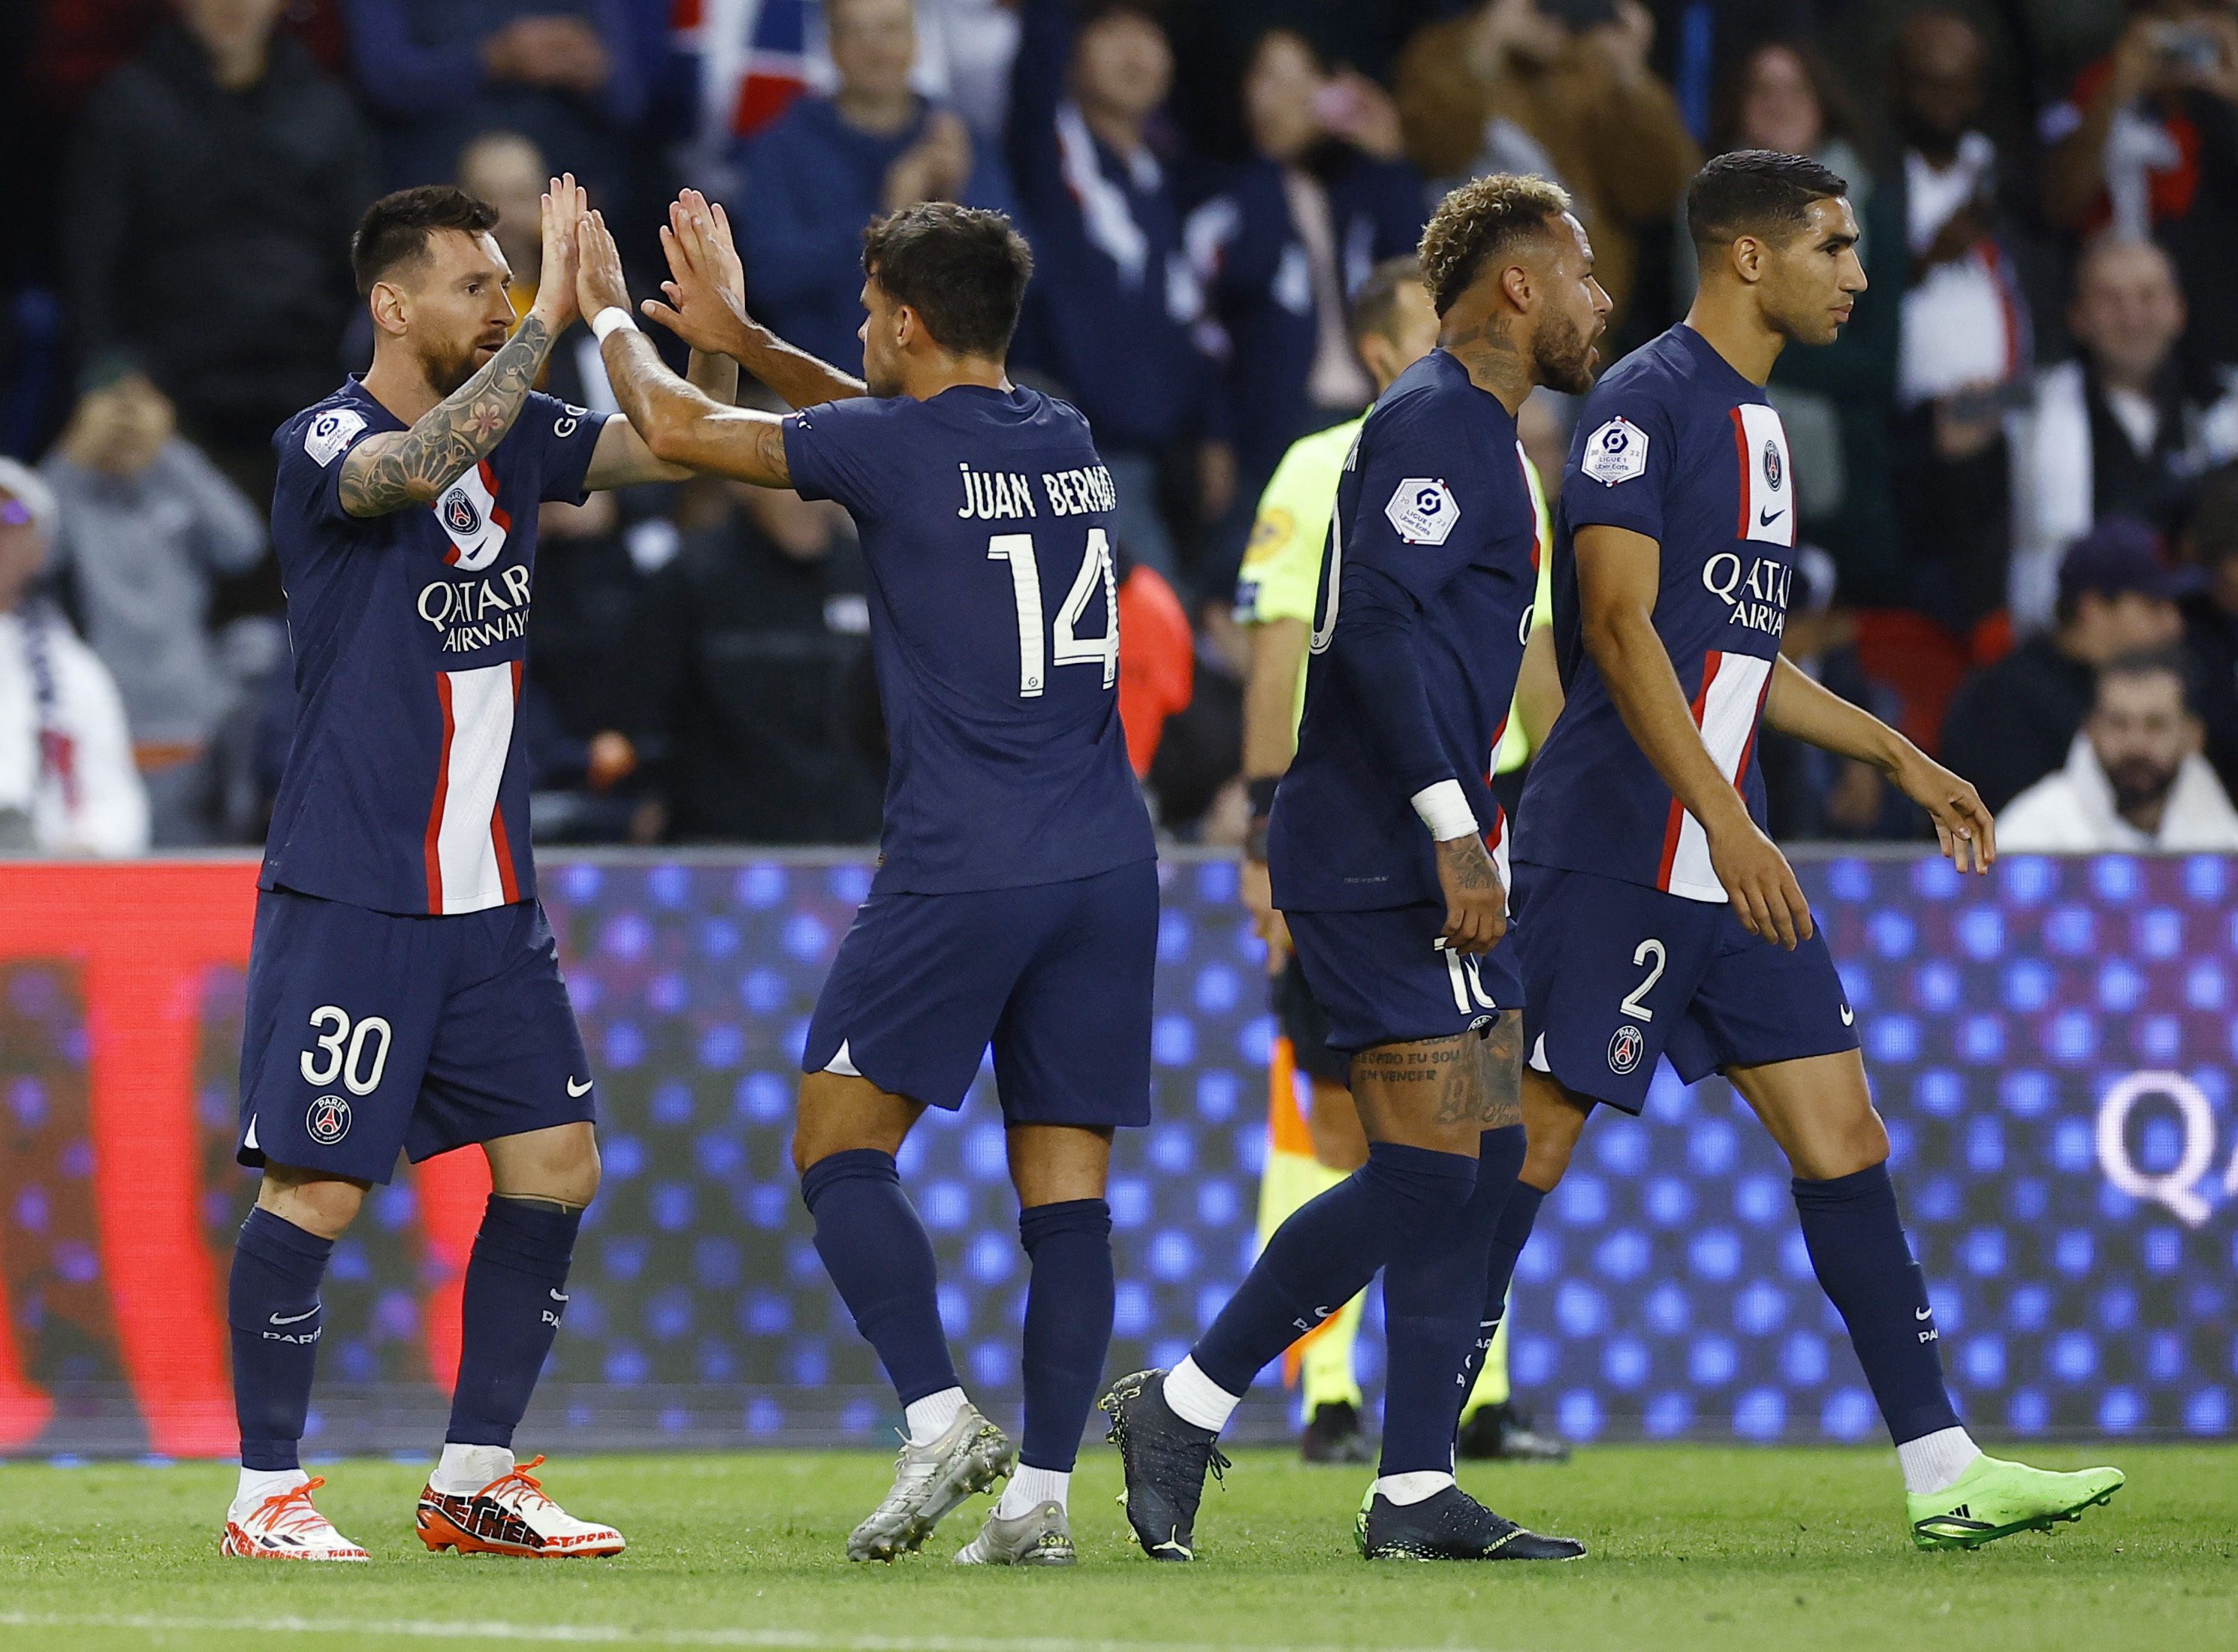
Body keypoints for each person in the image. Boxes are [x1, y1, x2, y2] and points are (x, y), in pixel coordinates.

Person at [1497, 149, 2122, 1553]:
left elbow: (1743, 657)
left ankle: (1944, 1468)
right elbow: (1617, 630)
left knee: (1847, 1135)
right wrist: (1725, 815)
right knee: (1520, 1155)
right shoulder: (1639, 406)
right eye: (1836, 248)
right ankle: (1364, 1446)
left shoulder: (1767, 429)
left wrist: (1902, 756)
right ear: (1748, 257)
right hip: (1620, 848)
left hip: (1729, 854)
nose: (1860, 274)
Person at [576, 192, 1157, 1567]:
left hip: (965, 864)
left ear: (903, 319)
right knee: (1065, 1195)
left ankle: (939, 1415)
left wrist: (604, 306)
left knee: (838, 1144)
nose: (858, 332)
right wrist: (757, 337)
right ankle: (1043, 1506)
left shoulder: (906, 452)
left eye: (864, 311)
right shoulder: (1060, 433)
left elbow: (672, 430)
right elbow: (885, 435)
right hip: (1107, 862)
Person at [221, 176, 735, 1563]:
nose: (501, 303)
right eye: (473, 286)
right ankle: (264, 1494)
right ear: (391, 306)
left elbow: (680, 450)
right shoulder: (325, 436)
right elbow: (409, 470)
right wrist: (554, 323)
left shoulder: (520, 428)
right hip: (359, 884)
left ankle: (475, 1475)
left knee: (557, 1166)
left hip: (489, 895)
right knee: (317, 1189)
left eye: (511, 283)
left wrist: (713, 331)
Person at [1100, 173, 1609, 1565]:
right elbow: (1375, 629)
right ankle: (1187, 1401)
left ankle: (1411, 1490)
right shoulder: (1440, 423)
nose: (1597, 301)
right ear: (1516, 284)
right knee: (1430, 1170)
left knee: (1486, 1147)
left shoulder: (1482, 437)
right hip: (1383, 857)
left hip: (1431, 850)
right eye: (1578, 274)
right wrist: (1454, 824)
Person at [1232, 254, 1563, 1466]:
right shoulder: (1334, 462)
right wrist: (1266, 836)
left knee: (1481, 1130)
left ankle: (1466, 1401)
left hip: (1484, 812)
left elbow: (1531, 655)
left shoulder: (1508, 456)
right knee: (1348, 1127)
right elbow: (1286, 653)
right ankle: (1314, 1385)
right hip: (1386, 827)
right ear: (1385, 348)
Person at [63, 0, 375, 492]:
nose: (232, 6)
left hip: (309, 383)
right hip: (167, 390)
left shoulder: (326, 109)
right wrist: (111, 373)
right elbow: (89, 259)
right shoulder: (127, 104)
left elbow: (367, 257)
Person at [1187, 28, 1427, 589]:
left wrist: (1390, 157)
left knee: (1362, 581)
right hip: (1272, 423)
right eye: (1271, 77)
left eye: (1303, 79)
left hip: (1366, 411)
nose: (1289, 95)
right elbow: (1229, 296)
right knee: (1255, 583)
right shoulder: (1225, 193)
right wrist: (1214, 435)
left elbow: (1416, 273)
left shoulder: (1353, 190)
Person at [1003, 0, 1217, 583]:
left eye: (1149, 36)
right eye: (1112, 32)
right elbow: (1036, 65)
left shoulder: (1162, 177)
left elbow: (1195, 320)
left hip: (1157, 463)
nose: (1134, 52)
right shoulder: (1049, 150)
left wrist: (1209, 432)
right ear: (1074, 53)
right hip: (1072, 460)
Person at [41, 369, 266, 846]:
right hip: (103, 714)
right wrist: (73, 454)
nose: (124, 426)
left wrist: (169, 449)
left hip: (190, 714)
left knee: (185, 872)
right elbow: (27, 546)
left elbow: (243, 544)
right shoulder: (73, 496)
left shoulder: (175, 487)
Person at [735, 0, 1018, 375]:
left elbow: (1021, 275)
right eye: (857, 32)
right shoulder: (782, 147)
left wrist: (958, 198)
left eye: (891, 30)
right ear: (832, 47)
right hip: (821, 384)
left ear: (916, 42)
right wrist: (887, 215)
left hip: (955, 387)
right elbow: (768, 276)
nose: (876, 48)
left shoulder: (955, 142)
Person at [1391, 0, 1697, 334]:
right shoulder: (1448, 51)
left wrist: (1630, 73)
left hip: (1583, 328)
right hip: (1477, 315)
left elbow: (1655, 193)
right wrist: (1489, 41)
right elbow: (1436, 151)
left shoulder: (1589, 67)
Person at [2003, 237, 2238, 633]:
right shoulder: (2027, 409)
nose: (2132, 319)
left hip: (2208, 640)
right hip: (2078, 635)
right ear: (2077, 316)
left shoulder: (2226, 405)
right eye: (2111, 300)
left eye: (2148, 298)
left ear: (2179, 310)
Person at [1943, 516, 2195, 814]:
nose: (2174, 624)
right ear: (2093, 609)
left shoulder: (2173, 686)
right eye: (2154, 606)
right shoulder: (2002, 706)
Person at [343, 0, 645, 201]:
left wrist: (592, 72)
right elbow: (385, 82)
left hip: (564, 206)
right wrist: (494, 59)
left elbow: (628, 100)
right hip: (437, 206)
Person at [0, 457, 148, 858]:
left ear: (39, 549)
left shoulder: (72, 670)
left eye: (9, 516)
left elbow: (116, 805)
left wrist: (87, 847)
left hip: (35, 880)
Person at [1998, 650, 2238, 849]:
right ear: (2091, 729)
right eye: (2118, 723)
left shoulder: (2225, 841)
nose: (2135, 744)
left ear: (2193, 737)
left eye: (2156, 725)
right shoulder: (2031, 837)